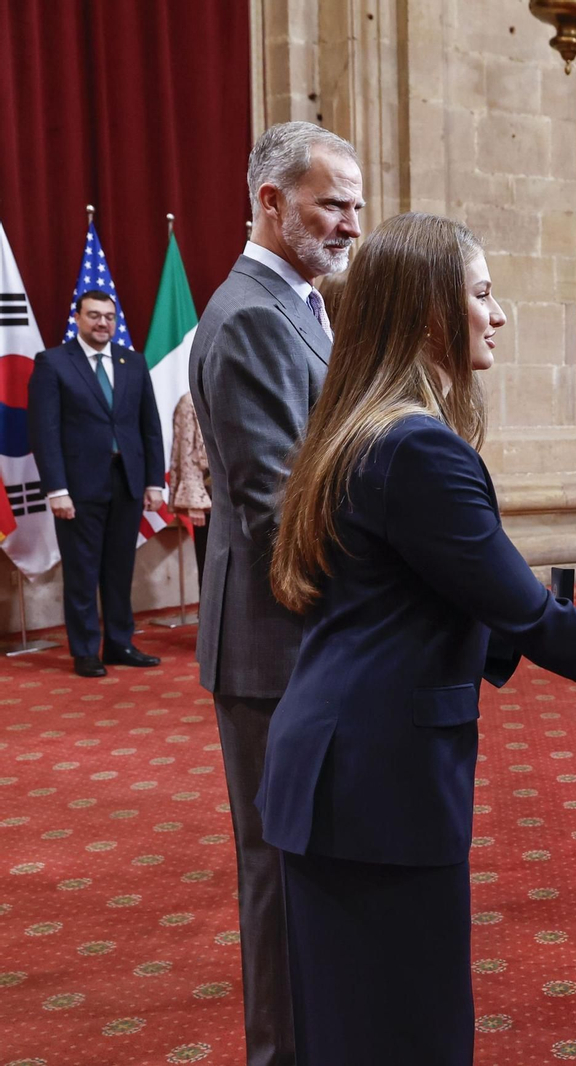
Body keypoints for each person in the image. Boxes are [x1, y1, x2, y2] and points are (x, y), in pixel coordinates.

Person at [259, 212, 576, 1066]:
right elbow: (530, 620)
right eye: (481, 293)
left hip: (334, 766)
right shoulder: (416, 447)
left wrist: (552, 624)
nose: (498, 314)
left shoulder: (360, 428)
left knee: (348, 1026)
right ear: (429, 313)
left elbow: (424, 600)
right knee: (407, 1034)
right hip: (376, 780)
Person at [189, 120, 363, 1066]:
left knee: (310, 866)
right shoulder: (253, 314)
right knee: (280, 873)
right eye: (333, 204)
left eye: (356, 206)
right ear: (271, 201)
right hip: (273, 644)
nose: (351, 225)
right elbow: (274, 510)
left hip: (302, 637)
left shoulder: (304, 303)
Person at [27, 290, 165, 677]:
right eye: (94, 315)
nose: (103, 323)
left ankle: (119, 643)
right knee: (82, 572)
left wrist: (154, 482)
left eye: (109, 316)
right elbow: (44, 432)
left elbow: (149, 428)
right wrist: (56, 489)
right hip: (77, 488)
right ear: (77, 317)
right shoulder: (53, 363)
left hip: (128, 482)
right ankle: (86, 650)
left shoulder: (133, 362)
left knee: (120, 570)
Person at [168, 391, 211, 591]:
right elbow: (184, 452)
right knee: (209, 565)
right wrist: (195, 500)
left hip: (237, 493)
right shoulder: (190, 401)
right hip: (208, 497)